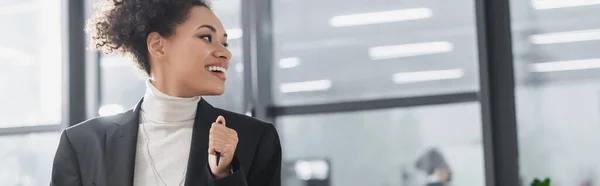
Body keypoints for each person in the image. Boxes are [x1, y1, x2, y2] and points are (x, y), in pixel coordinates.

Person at [50, 0, 282, 185]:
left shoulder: (254, 139)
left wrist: (224, 175)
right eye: (206, 37)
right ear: (158, 46)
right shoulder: (82, 143)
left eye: (225, 43)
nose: (225, 54)